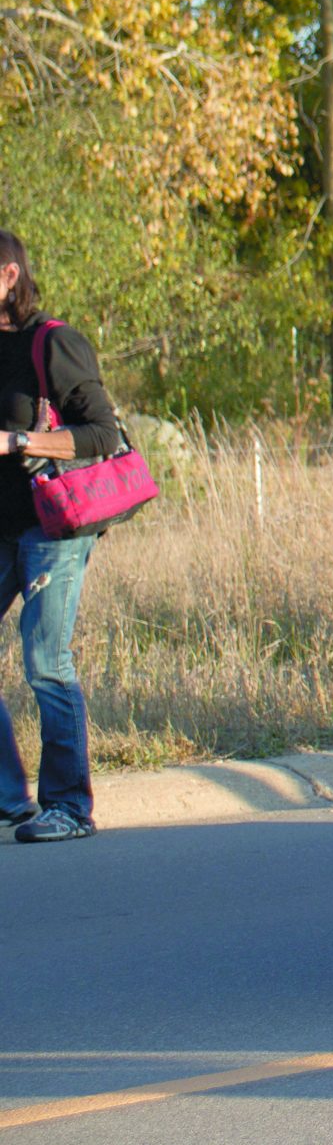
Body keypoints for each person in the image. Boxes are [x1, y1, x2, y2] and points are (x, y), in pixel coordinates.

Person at [0, 230, 124, 844]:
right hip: (1, 527)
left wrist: (21, 442)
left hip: (52, 526)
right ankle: (7, 798)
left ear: (8, 277)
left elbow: (105, 434)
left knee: (46, 662)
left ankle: (70, 807)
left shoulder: (53, 343)